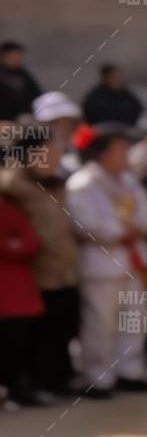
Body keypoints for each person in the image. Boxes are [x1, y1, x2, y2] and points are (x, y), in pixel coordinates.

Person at [65, 123, 147, 398]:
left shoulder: (127, 181)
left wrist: (132, 226)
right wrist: (121, 229)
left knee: (135, 319)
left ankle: (130, 370)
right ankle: (97, 375)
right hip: (101, 263)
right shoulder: (83, 183)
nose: (124, 155)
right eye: (119, 149)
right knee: (100, 322)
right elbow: (85, 223)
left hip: (133, 260)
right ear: (101, 153)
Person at [0, 126, 80, 399]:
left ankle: (57, 380)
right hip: (33, 275)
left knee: (62, 328)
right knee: (34, 336)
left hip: (65, 270)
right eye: (49, 149)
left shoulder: (56, 183)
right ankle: (32, 384)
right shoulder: (12, 186)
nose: (56, 155)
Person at [0, 156, 43, 408]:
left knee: (18, 340)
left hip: (18, 288)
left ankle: (17, 387)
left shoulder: (12, 207)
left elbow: (31, 243)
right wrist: (12, 245)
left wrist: (9, 246)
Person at [81, 64, 146, 128]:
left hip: (126, 129)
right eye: (113, 77)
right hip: (101, 130)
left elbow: (140, 110)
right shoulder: (94, 96)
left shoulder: (127, 94)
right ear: (105, 77)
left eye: (119, 77)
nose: (117, 80)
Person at [0, 42, 43, 122]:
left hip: (21, 119)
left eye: (19, 56)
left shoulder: (23, 75)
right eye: (13, 56)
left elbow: (37, 95)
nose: (17, 59)